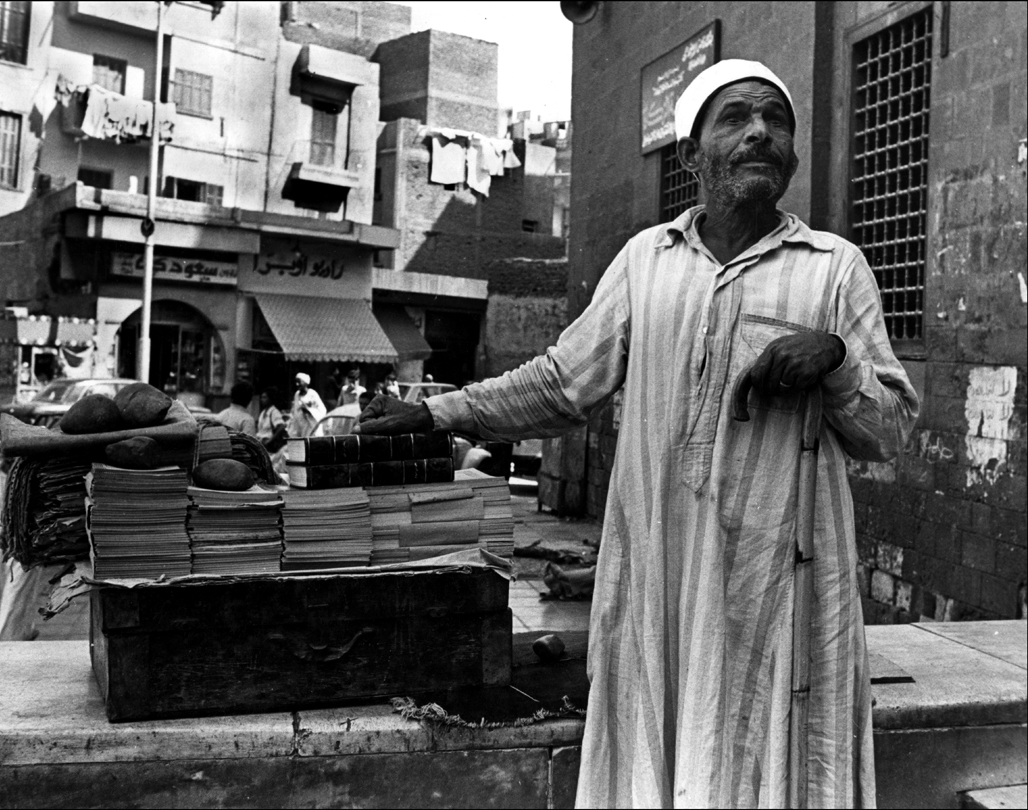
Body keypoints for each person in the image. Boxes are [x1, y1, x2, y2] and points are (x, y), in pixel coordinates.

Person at [357, 59, 918, 808]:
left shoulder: (834, 270)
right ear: (691, 155)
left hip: (776, 590)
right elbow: (561, 384)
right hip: (660, 576)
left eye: (775, 121)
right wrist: (437, 411)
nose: (761, 132)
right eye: (736, 118)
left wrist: (839, 361)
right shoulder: (645, 263)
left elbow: (889, 429)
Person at [0, 460, 42, 641]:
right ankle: (25, 632)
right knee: (2, 607)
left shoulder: (34, 476)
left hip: (24, 552)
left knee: (12, 604)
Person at [256, 387, 288, 475]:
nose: (262, 400)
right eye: (262, 397)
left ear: (270, 399)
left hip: (270, 448)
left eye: (265, 397)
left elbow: (281, 426)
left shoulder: (274, 412)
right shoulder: (263, 413)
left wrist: (270, 440)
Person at [290, 372, 326, 439]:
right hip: (301, 426)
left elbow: (322, 410)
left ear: (305, 383)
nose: (297, 384)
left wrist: (308, 410)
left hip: (312, 426)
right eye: (296, 382)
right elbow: (295, 411)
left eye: (299, 382)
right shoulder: (296, 395)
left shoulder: (312, 394)